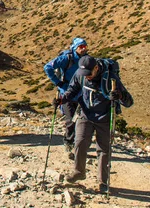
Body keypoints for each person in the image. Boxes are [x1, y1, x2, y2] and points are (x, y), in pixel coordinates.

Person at [54, 55, 133, 194]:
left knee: (103, 149)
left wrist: (119, 95)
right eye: (85, 74)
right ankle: (79, 172)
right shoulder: (81, 75)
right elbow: (72, 89)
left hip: (104, 117)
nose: (87, 77)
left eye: (89, 74)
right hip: (85, 114)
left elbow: (129, 102)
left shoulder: (110, 78)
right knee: (80, 142)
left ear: (96, 68)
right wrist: (62, 99)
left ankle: (103, 182)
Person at [44, 37, 88, 159]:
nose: (84, 49)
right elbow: (48, 67)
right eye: (81, 47)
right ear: (75, 48)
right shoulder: (66, 58)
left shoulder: (86, 59)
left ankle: (77, 145)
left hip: (81, 93)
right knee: (70, 120)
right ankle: (69, 143)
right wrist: (58, 83)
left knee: (81, 120)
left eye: (85, 46)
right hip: (66, 93)